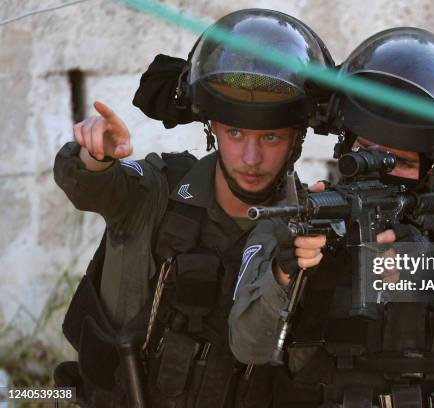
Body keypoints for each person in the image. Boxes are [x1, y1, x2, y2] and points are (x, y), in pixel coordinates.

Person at [229, 27, 434, 407]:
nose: (377, 169)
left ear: (433, 168)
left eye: (399, 162)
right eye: (365, 152)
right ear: (346, 145)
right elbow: (246, 348)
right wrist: (283, 275)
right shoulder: (298, 220)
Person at [52, 9, 334, 407]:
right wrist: (95, 156)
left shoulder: (308, 232)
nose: (251, 158)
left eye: (270, 137)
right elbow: (89, 186)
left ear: (295, 141)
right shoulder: (158, 190)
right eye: (236, 133)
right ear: (213, 127)